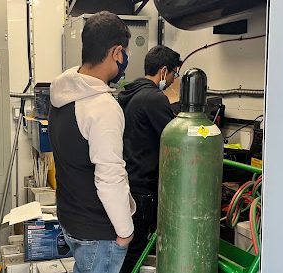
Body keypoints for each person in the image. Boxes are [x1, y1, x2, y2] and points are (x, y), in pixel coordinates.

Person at [48, 11, 136, 273]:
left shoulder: (62, 91)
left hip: (71, 218)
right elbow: (110, 176)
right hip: (99, 230)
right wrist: (125, 230)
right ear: (117, 52)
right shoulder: (102, 106)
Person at [118, 45, 182, 273]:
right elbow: (176, 139)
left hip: (128, 182)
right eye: (175, 73)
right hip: (144, 188)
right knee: (137, 249)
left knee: (128, 247)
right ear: (163, 70)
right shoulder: (154, 98)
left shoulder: (129, 93)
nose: (174, 80)